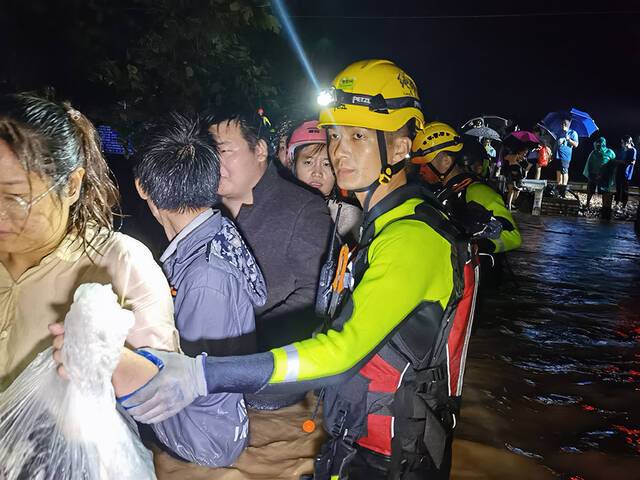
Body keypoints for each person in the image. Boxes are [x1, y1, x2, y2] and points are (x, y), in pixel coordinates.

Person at [54, 59, 476, 480]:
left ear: (402, 148)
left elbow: (341, 353)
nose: (339, 151)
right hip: (357, 439)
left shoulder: (412, 239)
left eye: (360, 136)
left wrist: (201, 375)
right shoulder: (377, 226)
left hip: (395, 457)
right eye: (335, 135)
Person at [0, 94, 178, 392]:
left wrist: (113, 364)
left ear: (71, 185)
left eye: (15, 198)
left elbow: (168, 388)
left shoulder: (119, 263)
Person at [132, 113, 267, 466]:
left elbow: (200, 388)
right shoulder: (211, 235)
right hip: (209, 428)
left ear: (142, 187)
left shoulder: (205, 276)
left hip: (204, 440)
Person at [207, 113, 332, 410]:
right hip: (205, 370)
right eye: (209, 153)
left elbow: (314, 295)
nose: (215, 163)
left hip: (269, 386)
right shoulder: (202, 211)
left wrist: (248, 343)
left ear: (260, 150)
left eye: (224, 151)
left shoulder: (303, 208)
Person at [413, 122, 521, 255]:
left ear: (446, 161)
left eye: (426, 164)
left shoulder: (476, 190)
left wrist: (474, 245)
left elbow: (512, 236)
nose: (421, 170)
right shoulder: (442, 192)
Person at [288, 119, 362, 242]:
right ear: (293, 165)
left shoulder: (349, 217)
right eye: (308, 162)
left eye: (327, 164)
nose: (317, 173)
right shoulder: (275, 208)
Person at [583, 137, 616, 216]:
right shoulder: (593, 153)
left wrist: (610, 174)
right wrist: (590, 174)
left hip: (605, 176)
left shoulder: (610, 152)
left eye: (600, 144)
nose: (598, 146)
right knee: (590, 189)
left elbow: (613, 163)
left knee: (605, 191)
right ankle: (587, 203)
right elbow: (589, 164)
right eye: (597, 144)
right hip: (593, 175)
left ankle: (605, 207)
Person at [553, 116, 579, 197]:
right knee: (558, 171)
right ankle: (559, 188)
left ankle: (564, 188)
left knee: (564, 170)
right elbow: (556, 143)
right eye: (561, 124)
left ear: (566, 125)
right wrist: (553, 153)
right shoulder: (559, 132)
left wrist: (568, 140)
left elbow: (576, 144)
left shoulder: (573, 133)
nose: (562, 126)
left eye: (563, 124)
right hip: (557, 155)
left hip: (566, 156)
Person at [614, 135, 637, 210]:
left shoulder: (632, 150)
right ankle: (616, 203)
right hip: (619, 171)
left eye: (623, 142)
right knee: (618, 188)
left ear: (627, 142)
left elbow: (633, 162)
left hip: (626, 173)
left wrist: (622, 162)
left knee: (624, 189)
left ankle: (624, 205)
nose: (622, 144)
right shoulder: (623, 150)